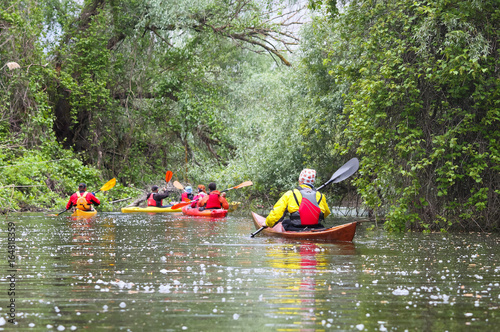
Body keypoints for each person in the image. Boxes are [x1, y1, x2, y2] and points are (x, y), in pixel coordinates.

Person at [265, 169, 330, 231]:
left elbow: (277, 212)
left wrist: (267, 223)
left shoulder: (290, 193)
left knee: (285, 222)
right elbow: (326, 213)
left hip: (295, 228)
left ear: (300, 180)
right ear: (312, 181)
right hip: (316, 227)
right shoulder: (320, 195)